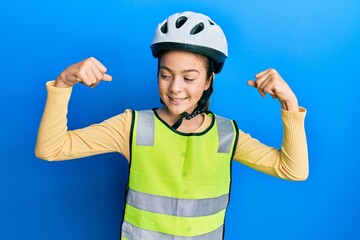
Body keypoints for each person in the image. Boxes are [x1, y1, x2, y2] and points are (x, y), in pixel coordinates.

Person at [35, 11, 308, 240]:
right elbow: (51, 149)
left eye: (189, 78)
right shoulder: (131, 126)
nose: (175, 88)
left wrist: (290, 105)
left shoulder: (227, 134)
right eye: (166, 75)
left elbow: (293, 170)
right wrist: (63, 84)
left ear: (208, 81)